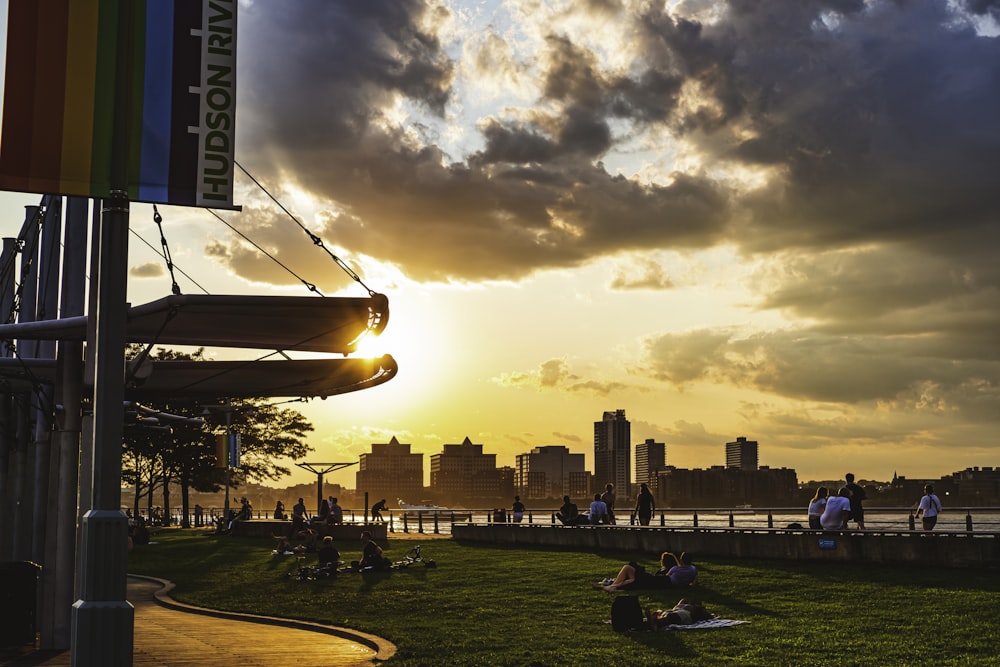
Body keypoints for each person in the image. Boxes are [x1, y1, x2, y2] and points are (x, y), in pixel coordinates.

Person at [595, 551, 698, 592]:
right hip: (662, 582)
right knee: (632, 574)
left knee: (630, 569)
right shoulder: (693, 570)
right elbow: (693, 583)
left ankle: (612, 586)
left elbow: (665, 577)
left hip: (661, 581)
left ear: (681, 560)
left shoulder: (675, 569)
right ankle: (612, 586)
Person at [646, 599, 713, 629]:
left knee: (670, 618)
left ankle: (655, 623)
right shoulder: (684, 605)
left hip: (683, 614)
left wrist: (699, 607)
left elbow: (708, 616)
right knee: (668, 616)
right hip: (674, 611)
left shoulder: (696, 609)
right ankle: (653, 622)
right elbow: (683, 600)